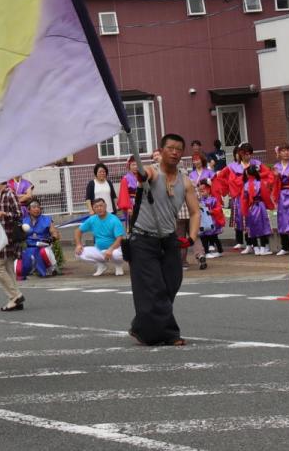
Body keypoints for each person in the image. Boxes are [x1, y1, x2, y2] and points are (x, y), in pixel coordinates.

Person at [127, 133, 202, 346]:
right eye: (170, 148)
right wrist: (143, 176)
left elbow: (195, 212)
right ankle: (170, 333)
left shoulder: (185, 182)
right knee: (153, 288)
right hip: (143, 239)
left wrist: (191, 237)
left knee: (172, 283)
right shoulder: (154, 172)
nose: (175, 152)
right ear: (161, 151)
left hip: (169, 239)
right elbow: (145, 174)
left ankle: (140, 327)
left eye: (179, 149)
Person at [0, 180, 25, 312]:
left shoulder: (9, 193)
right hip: (0, 237)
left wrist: (5, 214)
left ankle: (16, 296)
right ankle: (14, 300)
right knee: (8, 268)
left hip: (8, 237)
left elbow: (19, 214)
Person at [236, 144, 275, 255]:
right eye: (244, 153)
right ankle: (260, 247)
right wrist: (270, 205)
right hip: (258, 204)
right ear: (240, 154)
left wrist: (244, 210)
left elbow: (268, 173)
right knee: (262, 225)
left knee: (250, 226)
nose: (247, 156)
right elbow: (265, 195)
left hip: (249, 205)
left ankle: (256, 247)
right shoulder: (235, 166)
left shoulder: (248, 182)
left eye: (249, 153)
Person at [74, 198, 125, 276]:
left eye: (101, 206)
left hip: (115, 249)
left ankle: (118, 265)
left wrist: (110, 249)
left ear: (105, 206)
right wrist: (78, 245)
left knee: (116, 255)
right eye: (96, 207)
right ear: (93, 208)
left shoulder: (114, 220)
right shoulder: (92, 219)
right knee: (79, 253)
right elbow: (78, 231)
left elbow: (119, 238)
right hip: (99, 249)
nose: (99, 208)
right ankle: (101, 265)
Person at [17, 199, 59, 279]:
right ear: (28, 210)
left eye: (38, 207)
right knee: (18, 269)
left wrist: (51, 238)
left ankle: (51, 268)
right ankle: (32, 270)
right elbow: (18, 236)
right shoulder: (23, 221)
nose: (37, 209)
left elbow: (55, 233)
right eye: (34, 207)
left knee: (44, 252)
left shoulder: (47, 219)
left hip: (42, 247)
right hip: (29, 248)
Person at [197, 181, 225, 257]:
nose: (201, 193)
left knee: (214, 237)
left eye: (203, 191)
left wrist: (211, 211)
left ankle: (220, 251)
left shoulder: (214, 199)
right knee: (203, 237)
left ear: (208, 190)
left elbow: (219, 208)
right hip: (202, 222)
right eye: (200, 191)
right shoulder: (199, 200)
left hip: (212, 222)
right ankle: (206, 252)